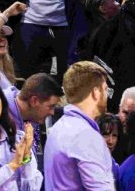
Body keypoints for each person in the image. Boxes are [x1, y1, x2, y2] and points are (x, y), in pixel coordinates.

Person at [44, 61, 116, 190]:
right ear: (95, 93)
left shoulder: (58, 127)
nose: (107, 96)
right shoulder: (85, 135)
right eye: (105, 89)